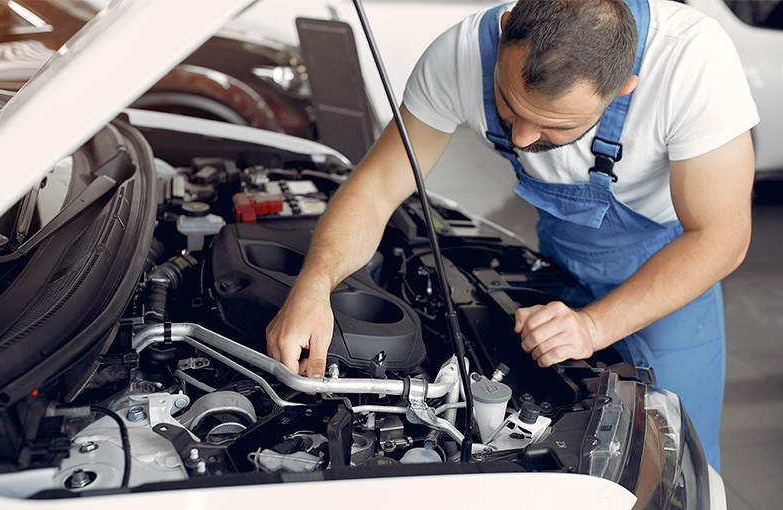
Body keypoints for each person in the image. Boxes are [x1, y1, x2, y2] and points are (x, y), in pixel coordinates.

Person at [266, 0, 758, 472]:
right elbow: (374, 189)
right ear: (505, 30)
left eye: (554, 125)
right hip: (563, 256)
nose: (522, 138)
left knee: (668, 449)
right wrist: (314, 285)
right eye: (508, 103)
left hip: (675, 269)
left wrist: (592, 327)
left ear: (623, 89)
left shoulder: (692, 61)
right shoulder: (459, 53)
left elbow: (721, 236)